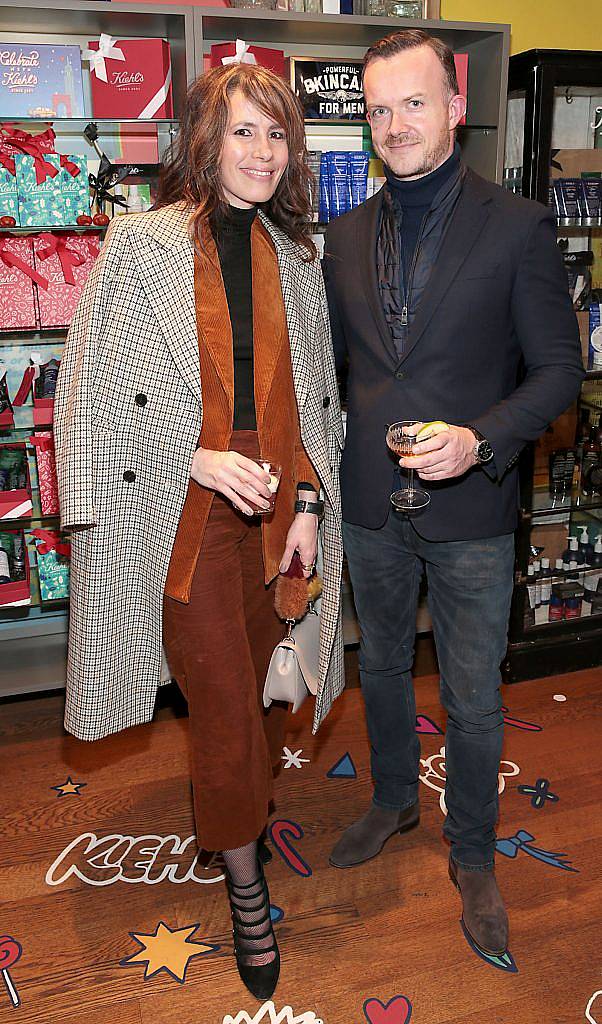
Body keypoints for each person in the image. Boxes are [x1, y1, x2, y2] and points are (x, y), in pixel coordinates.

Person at [54, 62, 345, 1000]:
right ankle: (247, 890)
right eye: (243, 133)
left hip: (272, 508)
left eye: (276, 134)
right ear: (206, 142)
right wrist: (192, 455)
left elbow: (314, 405)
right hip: (183, 514)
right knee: (221, 713)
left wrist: (307, 505)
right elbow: (89, 386)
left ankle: (239, 819)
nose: (262, 153)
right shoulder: (141, 245)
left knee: (261, 690)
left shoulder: (297, 257)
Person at [323, 29, 584, 955]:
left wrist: (482, 440)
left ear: (454, 104)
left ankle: (473, 851)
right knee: (383, 667)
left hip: (474, 508)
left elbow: (562, 369)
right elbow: (340, 375)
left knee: (474, 698)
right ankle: (394, 800)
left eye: (414, 103)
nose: (395, 125)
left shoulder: (516, 225)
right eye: (379, 109)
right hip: (368, 506)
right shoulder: (344, 236)